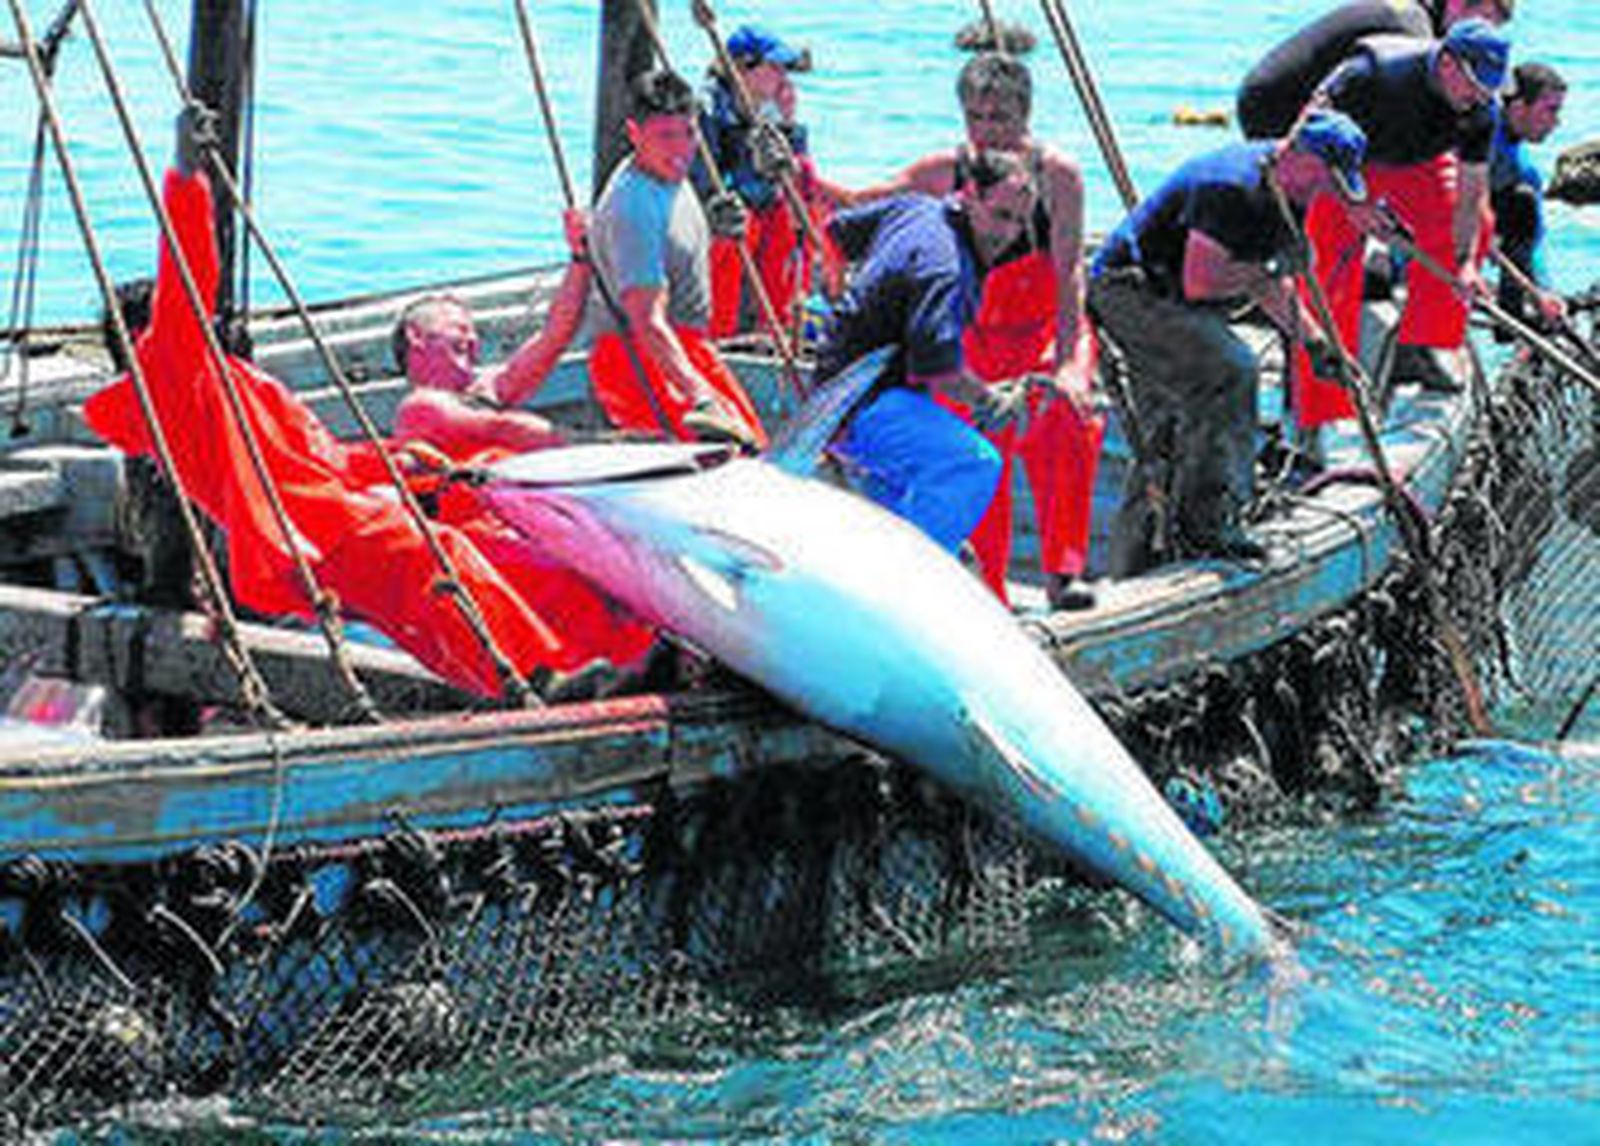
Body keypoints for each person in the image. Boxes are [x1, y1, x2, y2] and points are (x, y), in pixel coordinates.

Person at [829, 50, 1102, 610]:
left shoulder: (1059, 178)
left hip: (1044, 331)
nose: (986, 133)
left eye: (999, 118)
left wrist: (1071, 362)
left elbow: (1069, 270)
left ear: (1025, 116)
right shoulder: (944, 172)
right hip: (973, 341)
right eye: (975, 118)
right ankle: (988, 590)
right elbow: (860, 204)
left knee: (1068, 423)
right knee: (978, 449)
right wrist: (801, 174)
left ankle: (1064, 572)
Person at [1088, 110, 1371, 575]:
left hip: (1174, 293)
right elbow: (1203, 281)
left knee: (1168, 427)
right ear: (1297, 154)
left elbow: (1263, 283)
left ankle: (1145, 557)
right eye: (1325, 176)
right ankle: (1208, 525)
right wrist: (1277, 267)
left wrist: (1318, 344)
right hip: (1131, 291)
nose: (1327, 189)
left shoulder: (1290, 192)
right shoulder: (1233, 188)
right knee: (1229, 371)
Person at [819, 150, 1049, 556]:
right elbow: (940, 372)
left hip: (842, 386)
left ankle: (887, 565)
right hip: (862, 404)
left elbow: (833, 233)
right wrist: (989, 399)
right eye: (1000, 215)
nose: (1008, 233)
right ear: (969, 194)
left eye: (1018, 221)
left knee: (901, 512)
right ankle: (905, 585)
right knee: (974, 464)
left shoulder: (917, 207)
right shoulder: (945, 268)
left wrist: (836, 294)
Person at [1292, 19, 1510, 423]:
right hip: (1343, 164)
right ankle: (1323, 406)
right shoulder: (1369, 76)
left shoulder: (1482, 109)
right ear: (1447, 63)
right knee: (1328, 271)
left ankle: (1421, 345)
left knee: (1473, 227)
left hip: (1417, 159)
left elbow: (1471, 189)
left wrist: (1463, 262)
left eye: (1487, 90)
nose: (1478, 98)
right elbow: (1309, 138)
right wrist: (1354, 203)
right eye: (1473, 85)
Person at [576, 67, 767, 450]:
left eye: (689, 133)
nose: (681, 149)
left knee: (757, 449)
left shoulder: (671, 176)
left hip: (686, 347)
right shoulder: (634, 206)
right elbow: (645, 319)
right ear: (634, 134)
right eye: (665, 136)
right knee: (730, 460)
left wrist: (716, 236)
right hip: (638, 358)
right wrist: (701, 396)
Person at [695, 24, 837, 338]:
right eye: (773, 67)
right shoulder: (708, 110)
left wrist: (789, 125)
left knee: (797, 215)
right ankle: (720, 334)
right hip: (717, 215)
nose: (782, 76)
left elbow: (796, 175)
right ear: (743, 69)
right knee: (738, 230)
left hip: (758, 204)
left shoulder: (766, 107)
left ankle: (777, 325)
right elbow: (707, 185)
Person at [1236, 0, 1513, 141]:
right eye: (1484, 20)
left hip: (1271, 96)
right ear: (1455, 3)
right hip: (1279, 106)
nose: (1485, 33)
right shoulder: (1412, 30)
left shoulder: (1415, 13)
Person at [1491, 62, 1568, 325]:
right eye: (1550, 110)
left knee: (1523, 202)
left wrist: (1545, 290)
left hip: (1475, 217)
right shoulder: (1475, 131)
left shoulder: (1524, 169)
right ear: (1518, 107)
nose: (1557, 122)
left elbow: (1535, 237)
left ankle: (1512, 313)